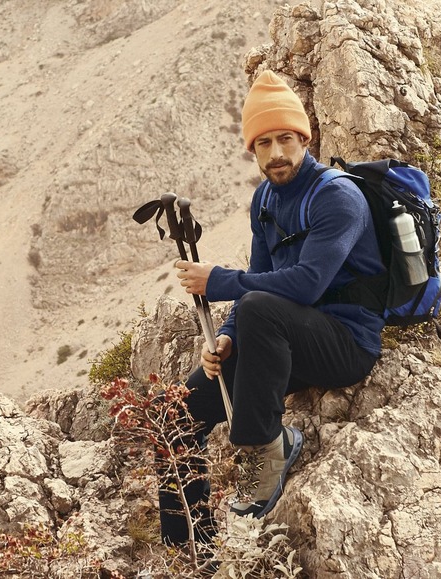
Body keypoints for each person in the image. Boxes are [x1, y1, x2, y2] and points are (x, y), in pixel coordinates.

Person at [158, 70, 385, 546]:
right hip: (279, 341)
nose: (276, 152)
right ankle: (190, 550)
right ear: (252, 149)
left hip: (345, 344)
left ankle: (267, 447)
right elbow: (256, 285)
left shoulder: (337, 197)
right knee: (173, 416)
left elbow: (305, 285)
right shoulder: (263, 199)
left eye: (286, 139)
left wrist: (216, 280)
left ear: (304, 138)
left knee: (261, 305)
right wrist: (229, 336)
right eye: (264, 142)